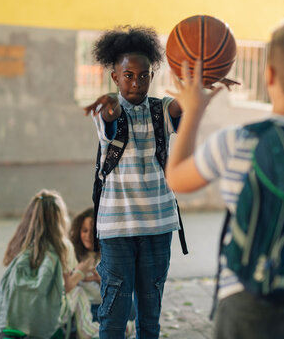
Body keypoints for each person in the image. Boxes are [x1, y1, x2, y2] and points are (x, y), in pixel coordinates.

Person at [165, 19, 284, 338]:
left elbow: (177, 179)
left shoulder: (238, 141)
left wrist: (193, 111)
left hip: (249, 299)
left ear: (269, 75)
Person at [84, 25, 182, 339]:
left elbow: (184, 108)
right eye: (128, 75)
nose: (136, 82)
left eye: (143, 75)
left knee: (150, 316)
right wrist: (111, 109)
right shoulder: (105, 112)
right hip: (117, 228)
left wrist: (199, 81)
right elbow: (108, 122)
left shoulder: (162, 110)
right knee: (113, 312)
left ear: (152, 75)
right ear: (115, 76)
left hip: (158, 224)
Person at [0, 189, 99, 339]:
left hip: (12, 316)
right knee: (78, 293)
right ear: (59, 219)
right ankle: (89, 332)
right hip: (45, 316)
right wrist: (81, 271)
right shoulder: (62, 247)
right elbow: (65, 287)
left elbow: (7, 263)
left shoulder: (20, 242)